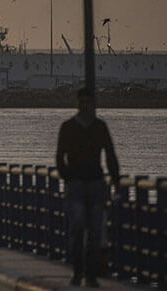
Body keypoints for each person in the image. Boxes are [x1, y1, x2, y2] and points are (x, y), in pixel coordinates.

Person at [55, 88, 120, 287]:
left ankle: (90, 274)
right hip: (76, 184)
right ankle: (78, 271)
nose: (85, 105)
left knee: (94, 232)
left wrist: (115, 180)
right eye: (82, 102)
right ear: (78, 103)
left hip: (95, 183)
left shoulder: (100, 127)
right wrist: (67, 176)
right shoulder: (68, 127)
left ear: (92, 104)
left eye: (88, 102)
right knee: (77, 229)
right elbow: (59, 156)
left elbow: (110, 155)